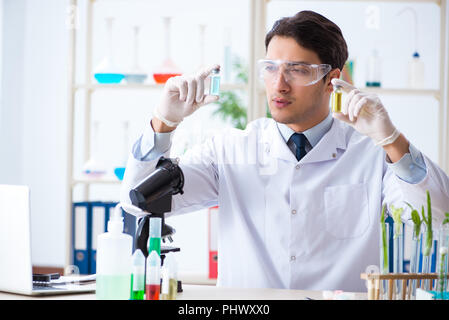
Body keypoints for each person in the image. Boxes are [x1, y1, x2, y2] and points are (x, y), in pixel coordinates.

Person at [121, 11, 449, 292]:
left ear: (331, 79)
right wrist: (162, 124)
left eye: (297, 70)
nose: (279, 84)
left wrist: (393, 141)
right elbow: (138, 201)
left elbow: (436, 222)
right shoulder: (230, 150)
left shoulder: (371, 154)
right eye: (271, 68)